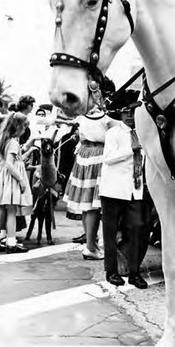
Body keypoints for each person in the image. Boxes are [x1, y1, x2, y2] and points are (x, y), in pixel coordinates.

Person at [100, 90, 149, 289]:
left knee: (136, 230)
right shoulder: (114, 133)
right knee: (110, 232)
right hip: (113, 190)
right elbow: (109, 158)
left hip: (134, 189)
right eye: (126, 112)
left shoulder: (143, 133)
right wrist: (133, 148)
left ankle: (134, 272)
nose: (130, 115)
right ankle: (111, 271)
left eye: (133, 112)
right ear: (120, 114)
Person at [63, 106, 115, 259]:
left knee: (87, 206)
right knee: (92, 206)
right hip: (97, 154)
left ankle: (90, 244)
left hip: (84, 154)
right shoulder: (105, 118)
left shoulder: (82, 116)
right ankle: (91, 246)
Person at [0, 112, 33, 253]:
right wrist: (21, 180)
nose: (24, 131)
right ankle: (11, 243)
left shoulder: (2, 140)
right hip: (10, 179)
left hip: (0, 178)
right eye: (24, 127)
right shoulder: (14, 143)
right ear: (18, 127)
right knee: (11, 211)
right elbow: (10, 164)